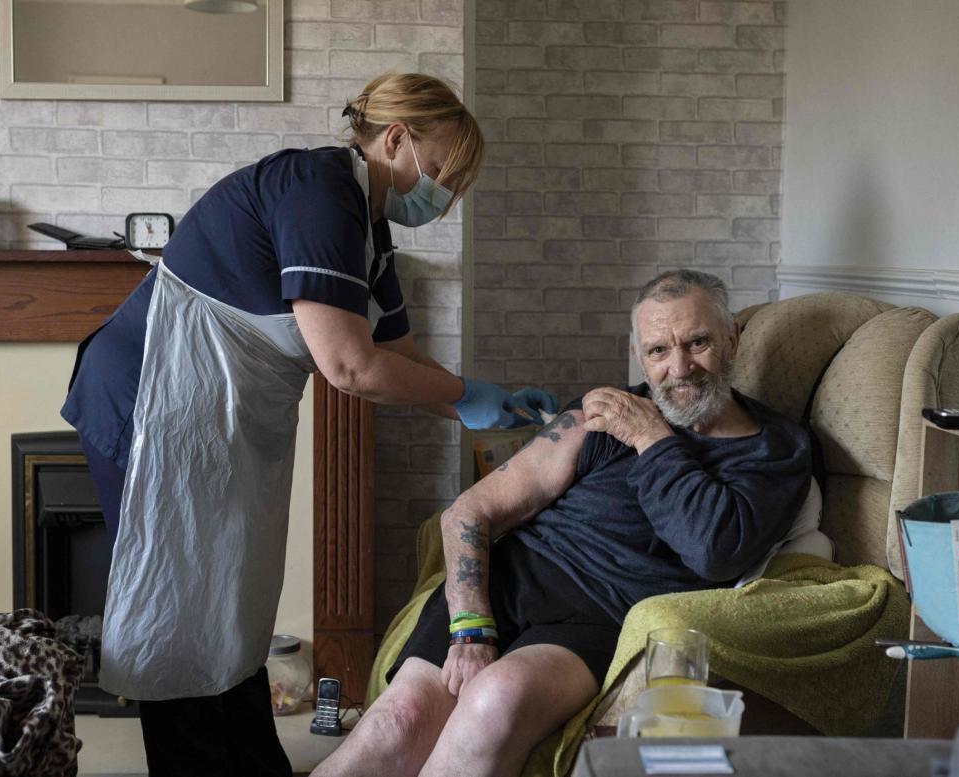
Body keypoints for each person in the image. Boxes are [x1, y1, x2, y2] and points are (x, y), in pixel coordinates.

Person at [60, 72, 557, 777]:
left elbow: (397, 358)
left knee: (226, 603)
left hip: (210, 413)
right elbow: (349, 365)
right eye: (443, 171)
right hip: (149, 395)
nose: (446, 196)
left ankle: (252, 760)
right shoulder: (318, 189)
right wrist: (464, 392)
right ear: (395, 139)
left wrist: (480, 399)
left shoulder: (369, 231)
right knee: (180, 611)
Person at [312, 270, 812, 777]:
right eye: (658, 350)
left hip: (605, 618)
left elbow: (712, 550)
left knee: (494, 699)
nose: (679, 367)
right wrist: (470, 631)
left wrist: (651, 437)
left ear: (731, 341)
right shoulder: (600, 414)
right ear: (641, 357)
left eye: (697, 342)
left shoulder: (773, 450)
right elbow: (469, 512)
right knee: (394, 724)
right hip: (507, 586)